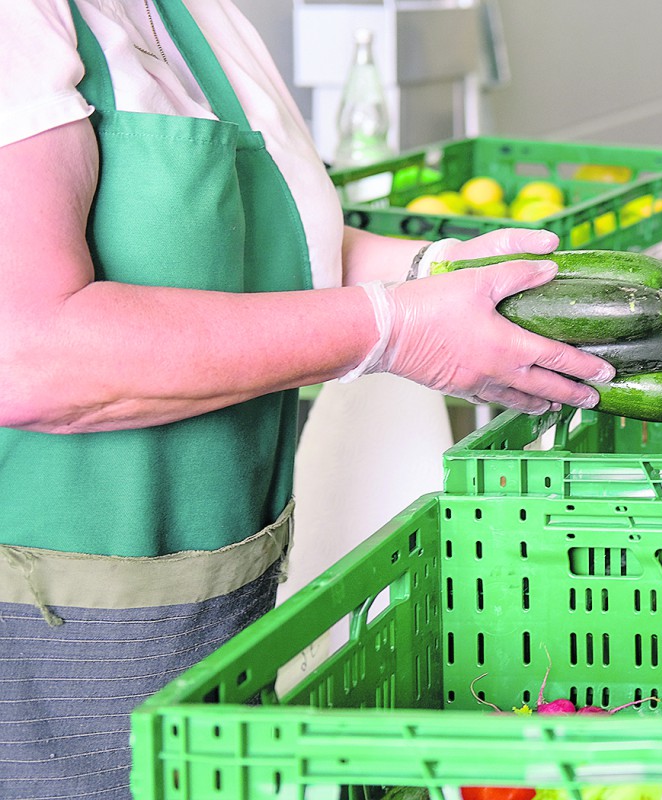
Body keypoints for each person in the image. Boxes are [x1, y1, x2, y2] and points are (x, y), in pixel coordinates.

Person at [0, 2, 615, 797]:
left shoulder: (200, 16)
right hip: (50, 631)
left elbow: (282, 243)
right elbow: (28, 354)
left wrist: (437, 270)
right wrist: (391, 328)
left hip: (224, 603)